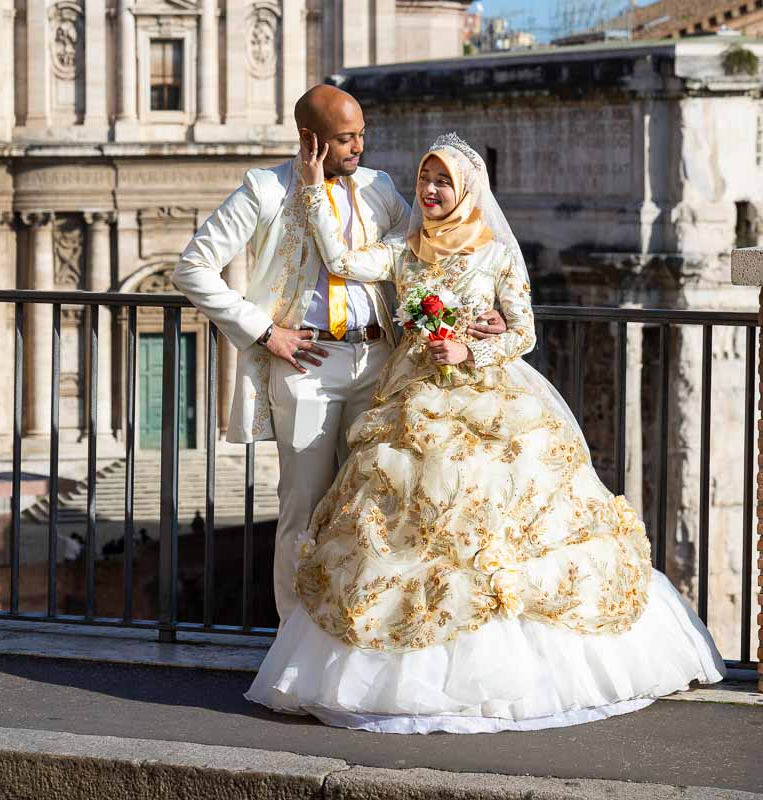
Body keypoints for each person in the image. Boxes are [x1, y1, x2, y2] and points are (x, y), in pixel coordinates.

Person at [246, 132, 724, 733]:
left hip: (491, 399)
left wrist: (470, 348)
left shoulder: (496, 252)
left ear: (467, 187)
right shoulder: (405, 248)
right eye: (425, 180)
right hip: (413, 401)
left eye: (442, 181)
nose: (431, 191)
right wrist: (314, 190)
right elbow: (344, 263)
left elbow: (523, 332)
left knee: (504, 523)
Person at [172, 90, 505, 620]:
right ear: (311, 140)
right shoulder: (264, 190)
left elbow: (429, 256)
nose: (359, 146)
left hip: (379, 363)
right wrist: (263, 332)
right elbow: (192, 268)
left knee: (374, 505)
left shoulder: (380, 188)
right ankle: (295, 640)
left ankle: (356, 634)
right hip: (306, 367)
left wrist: (487, 312)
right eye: (346, 138)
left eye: (361, 134)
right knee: (302, 510)